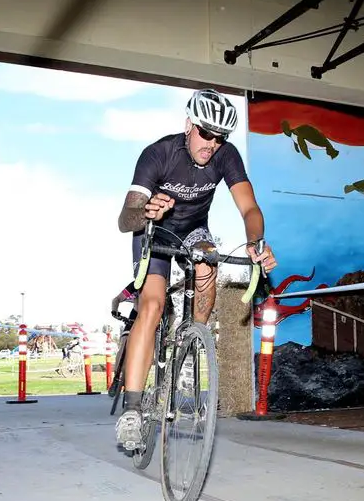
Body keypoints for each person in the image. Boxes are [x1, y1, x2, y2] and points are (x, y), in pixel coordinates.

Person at [114, 88, 277, 451]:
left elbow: (250, 208)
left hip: (194, 231)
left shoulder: (226, 156)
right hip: (154, 231)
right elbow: (125, 219)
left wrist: (255, 243)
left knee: (208, 263)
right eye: (206, 133)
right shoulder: (158, 154)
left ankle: (192, 344)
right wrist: (147, 212)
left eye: (220, 138)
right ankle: (133, 410)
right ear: (189, 124)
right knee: (153, 306)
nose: (212, 144)